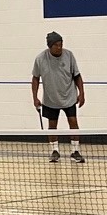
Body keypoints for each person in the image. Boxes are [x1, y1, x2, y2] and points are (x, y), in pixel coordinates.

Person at [31, 32, 86, 163]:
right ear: (50, 46)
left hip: (69, 96)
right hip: (50, 98)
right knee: (52, 125)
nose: (59, 47)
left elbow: (77, 76)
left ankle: (75, 151)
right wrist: (35, 97)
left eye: (61, 44)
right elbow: (35, 78)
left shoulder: (69, 56)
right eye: (56, 45)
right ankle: (54, 151)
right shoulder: (40, 59)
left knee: (73, 122)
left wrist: (82, 93)